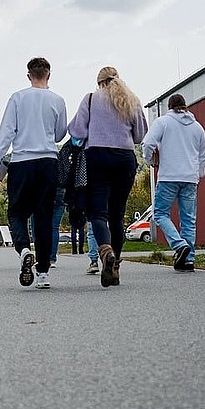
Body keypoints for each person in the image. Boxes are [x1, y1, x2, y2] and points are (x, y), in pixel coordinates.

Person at [67, 66, 148, 287]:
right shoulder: (132, 100)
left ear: (99, 82)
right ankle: (115, 266)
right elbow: (140, 135)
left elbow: (77, 131)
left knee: (98, 213)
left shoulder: (91, 99)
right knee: (117, 215)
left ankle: (105, 253)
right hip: (124, 159)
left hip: (97, 158)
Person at [0, 57, 68, 289]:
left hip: (22, 161)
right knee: (43, 217)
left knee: (17, 212)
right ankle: (43, 273)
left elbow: (7, 131)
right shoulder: (58, 100)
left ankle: (24, 249)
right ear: (49, 75)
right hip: (47, 161)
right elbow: (60, 134)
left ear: (28, 75)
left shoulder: (17, 98)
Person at [141, 93, 205, 273]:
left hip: (168, 176)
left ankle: (179, 245)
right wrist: (199, 173)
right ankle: (189, 259)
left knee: (160, 213)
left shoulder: (163, 122)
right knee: (188, 220)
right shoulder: (198, 127)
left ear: (169, 107)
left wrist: (149, 160)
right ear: (185, 106)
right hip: (190, 178)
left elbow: (147, 143)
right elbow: (203, 154)